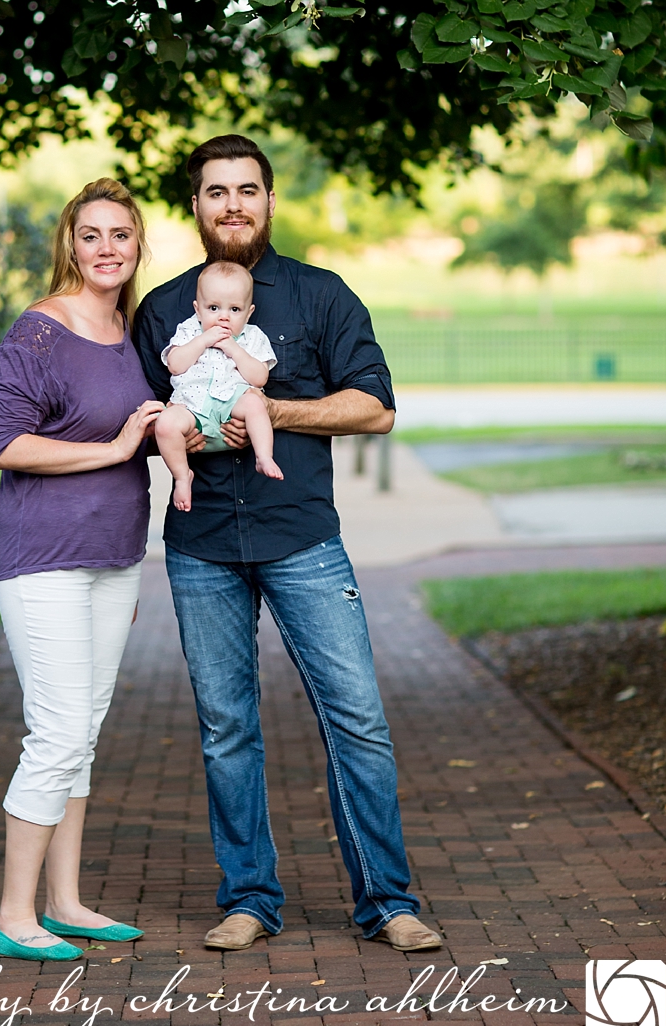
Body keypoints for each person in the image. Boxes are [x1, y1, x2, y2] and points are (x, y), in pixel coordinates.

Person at [132, 134, 442, 954]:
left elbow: (374, 407)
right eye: (215, 191)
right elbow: (138, 424)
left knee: (358, 720)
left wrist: (278, 415)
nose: (232, 204)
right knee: (226, 727)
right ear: (194, 205)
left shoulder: (320, 295)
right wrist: (182, 436)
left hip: (302, 536)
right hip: (200, 545)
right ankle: (249, 899)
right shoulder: (162, 309)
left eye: (247, 189)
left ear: (270, 201)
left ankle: (387, 901)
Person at [0, 177, 164, 962]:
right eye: (91, 235)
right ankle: (13, 917)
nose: (106, 250)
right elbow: (7, 444)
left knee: (82, 735)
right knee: (54, 731)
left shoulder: (133, 330)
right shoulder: (38, 332)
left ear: (136, 245)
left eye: (120, 235)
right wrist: (116, 450)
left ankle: (66, 902)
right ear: (69, 244)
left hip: (113, 559)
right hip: (43, 561)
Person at [154, 259, 282, 513]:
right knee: (165, 424)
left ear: (249, 312)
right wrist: (202, 341)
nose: (223, 317)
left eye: (235, 309)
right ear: (198, 309)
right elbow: (175, 365)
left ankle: (264, 456)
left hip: (233, 402)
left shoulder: (252, 336)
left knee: (256, 404)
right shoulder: (189, 330)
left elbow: (259, 378)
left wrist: (234, 349)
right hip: (192, 405)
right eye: (213, 308)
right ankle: (182, 477)